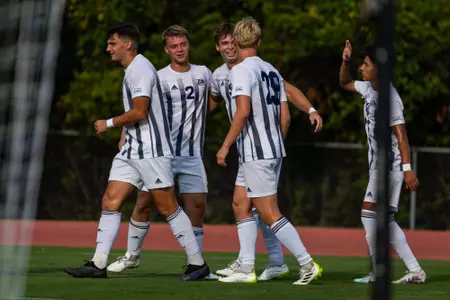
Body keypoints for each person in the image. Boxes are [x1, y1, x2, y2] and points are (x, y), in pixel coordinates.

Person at [63, 23, 210, 281]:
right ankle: (98, 264)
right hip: (133, 148)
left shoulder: (140, 68)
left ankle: (197, 264)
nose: (109, 48)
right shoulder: (132, 69)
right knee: (110, 200)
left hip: (152, 150)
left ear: (127, 44)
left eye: (112, 43)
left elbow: (140, 111)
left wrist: (108, 123)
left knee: (167, 207)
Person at [210, 22, 323, 281]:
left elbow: (243, 112)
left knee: (269, 213)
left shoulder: (240, 71)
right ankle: (247, 267)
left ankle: (307, 264)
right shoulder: (270, 69)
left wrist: (225, 145)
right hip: (267, 149)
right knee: (240, 204)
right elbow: (285, 116)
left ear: (237, 42)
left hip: (256, 151)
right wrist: (309, 111)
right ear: (259, 42)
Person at [106, 25, 217, 279]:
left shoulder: (203, 73)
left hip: (191, 153)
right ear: (166, 50)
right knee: (144, 203)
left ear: (188, 45)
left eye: (183, 44)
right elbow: (142, 108)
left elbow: (215, 98)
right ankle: (132, 255)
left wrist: (201, 115)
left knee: (197, 207)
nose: (180, 50)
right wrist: (125, 132)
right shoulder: (158, 75)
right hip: (161, 152)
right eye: (174, 46)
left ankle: (196, 266)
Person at [339, 40, 426, 284]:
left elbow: (402, 136)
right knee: (381, 219)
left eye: (366, 64)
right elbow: (344, 83)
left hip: (390, 167)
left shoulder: (391, 98)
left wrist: (407, 170)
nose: (362, 68)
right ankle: (411, 270)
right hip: (379, 167)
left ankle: (382, 271)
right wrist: (345, 60)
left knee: (369, 215)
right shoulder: (369, 89)